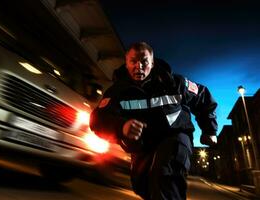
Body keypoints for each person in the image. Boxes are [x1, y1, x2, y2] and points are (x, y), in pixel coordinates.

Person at [90, 42, 217, 200]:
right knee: (143, 185)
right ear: (126, 62)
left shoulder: (175, 83)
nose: (139, 66)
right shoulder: (118, 91)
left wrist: (209, 130)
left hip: (175, 136)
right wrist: (121, 127)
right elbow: (98, 120)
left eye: (144, 61)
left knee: (164, 176)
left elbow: (203, 97)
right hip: (143, 145)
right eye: (133, 61)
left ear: (152, 62)